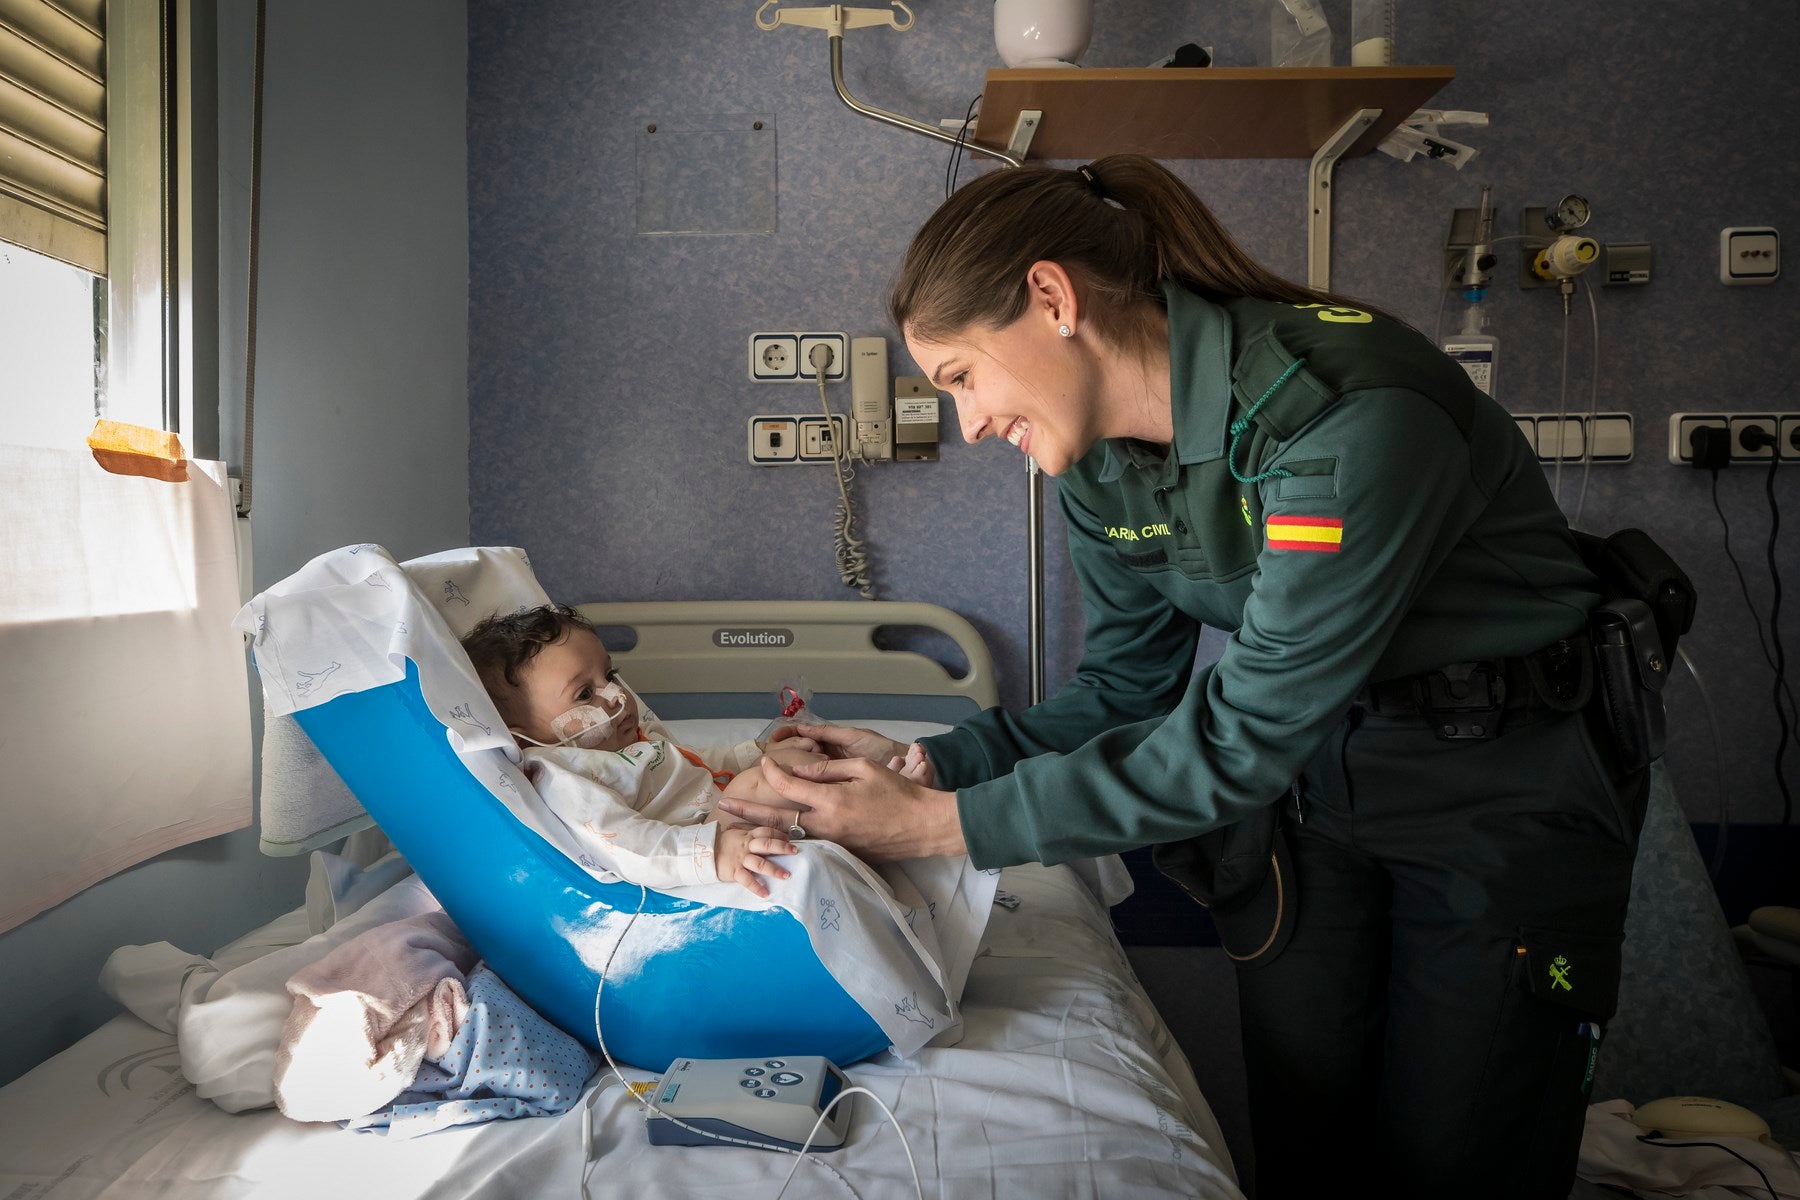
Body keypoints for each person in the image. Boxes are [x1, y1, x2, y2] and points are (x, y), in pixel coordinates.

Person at [718, 154, 1648, 1198]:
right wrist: (924, 765)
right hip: (1313, 798)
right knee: (1310, 1142)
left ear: (1052, 297)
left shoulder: (1341, 415)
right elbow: (1121, 695)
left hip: (1496, 795)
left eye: (964, 377)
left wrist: (938, 828)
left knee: (1461, 1158)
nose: (971, 424)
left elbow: (1238, 737)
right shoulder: (1100, 462)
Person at [461, 604, 815, 897]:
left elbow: (692, 759)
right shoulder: (565, 772)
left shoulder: (632, 738)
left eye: (610, 675)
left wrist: (753, 752)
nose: (617, 696)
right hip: (698, 835)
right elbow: (622, 843)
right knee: (777, 780)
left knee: (793, 760)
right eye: (585, 695)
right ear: (525, 740)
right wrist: (715, 851)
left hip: (721, 804)